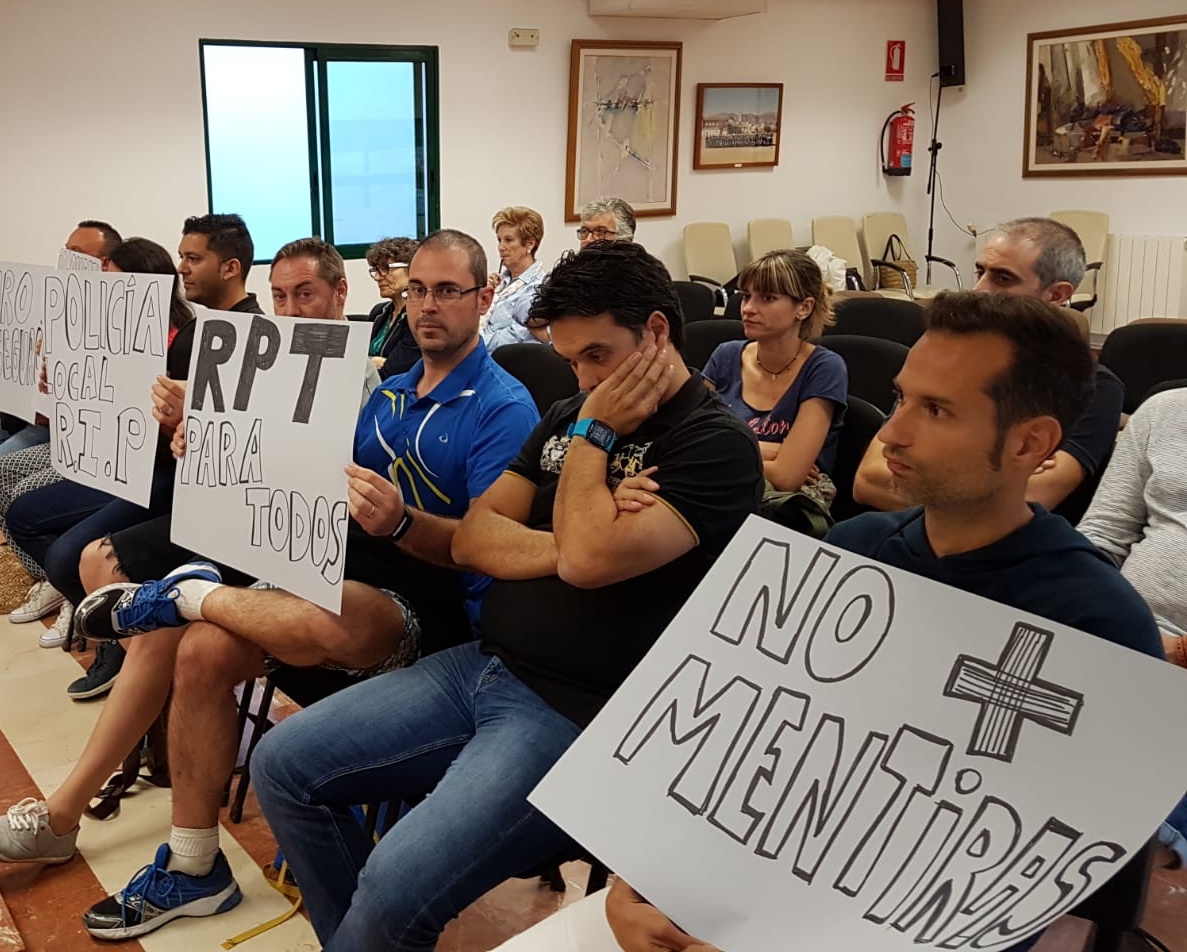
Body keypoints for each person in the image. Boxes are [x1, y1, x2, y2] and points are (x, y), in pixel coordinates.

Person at [493, 291, 1162, 952]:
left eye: (935, 410)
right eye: (901, 399)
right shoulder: (850, 552)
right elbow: (725, 754)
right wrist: (635, 886)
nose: (892, 433)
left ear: (1029, 443)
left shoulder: (1097, 625)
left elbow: (1047, 892)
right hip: (747, 889)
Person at [0, 231, 539, 944]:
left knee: (328, 612)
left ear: (483, 297)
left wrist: (399, 523)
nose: (427, 305)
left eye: (447, 291)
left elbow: (484, 548)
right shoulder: (391, 393)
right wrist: (203, 442)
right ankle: (193, 864)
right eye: (417, 290)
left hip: (434, 610)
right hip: (345, 569)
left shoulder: (501, 406)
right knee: (202, 650)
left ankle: (186, 594)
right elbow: (301, 480)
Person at [251, 239, 763, 952]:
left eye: (597, 355)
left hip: (579, 709)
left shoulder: (712, 444)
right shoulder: (567, 413)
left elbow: (585, 559)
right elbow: (474, 538)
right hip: (483, 663)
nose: (584, 379)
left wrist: (592, 441)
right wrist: (574, 534)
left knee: (396, 882)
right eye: (571, 360)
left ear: (655, 331)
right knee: (282, 765)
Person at [5, 215, 261, 693]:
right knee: (26, 513)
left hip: (176, 484)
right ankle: (119, 634)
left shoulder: (229, 335)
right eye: (181, 257)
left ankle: (124, 641)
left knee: (67, 555)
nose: (182, 268)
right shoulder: (196, 331)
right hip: (139, 465)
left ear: (229, 268)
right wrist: (66, 391)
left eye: (193, 258)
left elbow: (227, 441)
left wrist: (176, 425)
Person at [854, 216, 1122, 525]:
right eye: (980, 272)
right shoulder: (941, 362)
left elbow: (1032, 498)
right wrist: (984, 482)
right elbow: (867, 481)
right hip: (892, 536)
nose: (980, 289)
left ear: (1057, 295)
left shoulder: (1094, 385)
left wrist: (922, 474)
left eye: (1003, 278)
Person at [0, 219, 123, 508]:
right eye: (65, 251)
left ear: (105, 264)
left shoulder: (114, 316)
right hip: (30, 413)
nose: (66, 260)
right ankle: (25, 510)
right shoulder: (56, 298)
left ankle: (31, 515)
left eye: (76, 253)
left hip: (61, 427)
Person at [1079, 385, 1187, 866]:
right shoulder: (1167, 410)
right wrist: (1089, 620)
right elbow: (1101, 536)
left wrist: (1176, 652)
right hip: (1123, 644)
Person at [697, 250, 845, 534]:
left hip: (780, 515)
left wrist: (720, 450)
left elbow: (788, 477)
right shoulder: (726, 355)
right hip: (719, 499)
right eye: (746, 296)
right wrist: (769, 449)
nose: (748, 308)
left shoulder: (825, 368)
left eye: (767, 298)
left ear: (804, 308)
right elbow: (688, 440)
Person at [484, 205, 549, 348]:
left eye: (508, 240)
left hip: (501, 357)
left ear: (530, 244)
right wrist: (482, 294)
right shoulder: (500, 282)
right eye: (499, 240)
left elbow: (514, 337)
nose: (501, 247)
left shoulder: (540, 288)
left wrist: (471, 342)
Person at [366, 235, 419, 378]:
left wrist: (370, 363)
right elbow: (357, 362)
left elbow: (393, 372)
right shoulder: (379, 312)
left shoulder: (419, 317)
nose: (377, 277)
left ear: (412, 268)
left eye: (386, 268)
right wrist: (375, 362)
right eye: (376, 270)